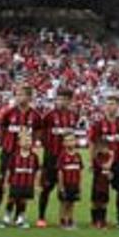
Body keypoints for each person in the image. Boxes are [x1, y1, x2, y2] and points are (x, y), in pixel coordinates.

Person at [0, 87, 41, 225]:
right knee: (1, 184)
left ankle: (19, 216)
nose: (19, 97)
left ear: (29, 97)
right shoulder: (8, 112)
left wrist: (31, 145)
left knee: (22, 185)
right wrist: (5, 142)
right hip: (8, 154)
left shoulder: (35, 115)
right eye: (17, 94)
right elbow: (0, 128)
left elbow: (38, 132)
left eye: (22, 95)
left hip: (25, 156)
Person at [37, 89, 83, 227]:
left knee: (67, 189)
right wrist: (48, 147)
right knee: (46, 187)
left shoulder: (73, 116)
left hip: (67, 158)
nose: (62, 101)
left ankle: (64, 218)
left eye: (65, 99)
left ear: (70, 101)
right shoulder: (49, 116)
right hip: (51, 157)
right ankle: (41, 217)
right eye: (59, 99)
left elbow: (72, 136)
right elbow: (40, 132)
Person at [5, 135, 41, 228]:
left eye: (29, 140)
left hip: (28, 183)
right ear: (19, 143)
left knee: (23, 200)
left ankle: (21, 217)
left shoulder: (34, 156)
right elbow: (9, 170)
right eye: (25, 140)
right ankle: (7, 215)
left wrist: (36, 184)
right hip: (15, 182)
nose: (27, 142)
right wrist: (6, 183)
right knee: (11, 198)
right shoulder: (14, 155)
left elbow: (37, 171)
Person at [55, 136, 84, 230]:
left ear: (75, 142)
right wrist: (61, 185)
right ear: (64, 143)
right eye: (67, 141)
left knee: (72, 203)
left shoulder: (78, 155)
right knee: (64, 202)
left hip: (74, 183)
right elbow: (60, 171)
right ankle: (62, 221)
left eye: (72, 140)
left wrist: (80, 185)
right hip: (66, 183)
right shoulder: (62, 155)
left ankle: (70, 220)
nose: (70, 142)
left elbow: (80, 170)